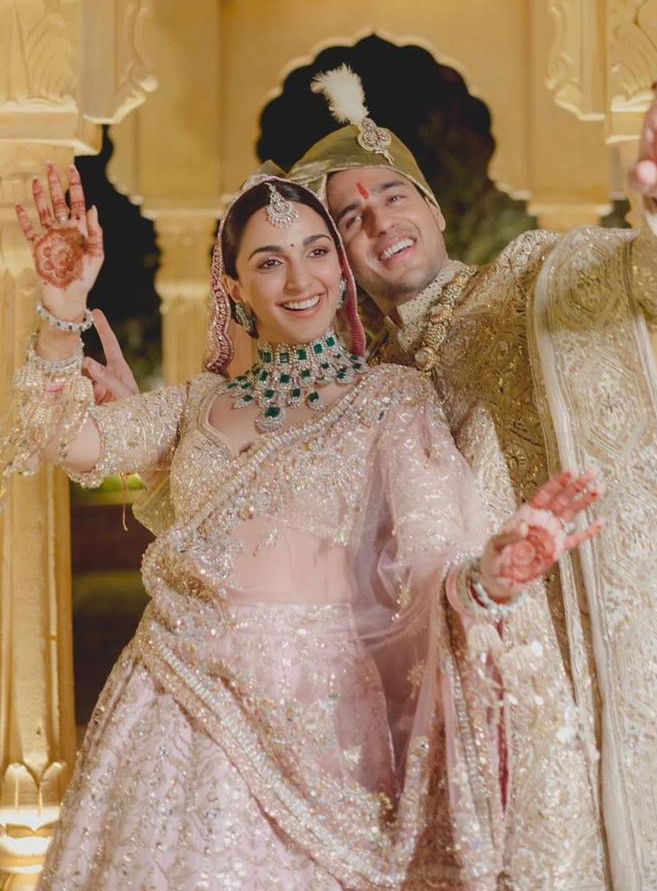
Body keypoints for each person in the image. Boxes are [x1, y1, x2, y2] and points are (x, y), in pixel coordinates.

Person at [0, 164, 605, 890]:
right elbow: (62, 437)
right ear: (233, 287)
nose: (299, 279)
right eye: (269, 261)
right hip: (172, 703)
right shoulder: (196, 406)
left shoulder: (390, 400)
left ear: (343, 271)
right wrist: (62, 306)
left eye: (317, 251)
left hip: (319, 725)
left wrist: (490, 578)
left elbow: (433, 555)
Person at [285, 58, 657, 888]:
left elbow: (656, 279)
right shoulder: (355, 395)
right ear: (340, 261)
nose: (381, 220)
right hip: (454, 704)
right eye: (351, 218)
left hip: (588, 659)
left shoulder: (531, 279)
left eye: (394, 195)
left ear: (434, 209)